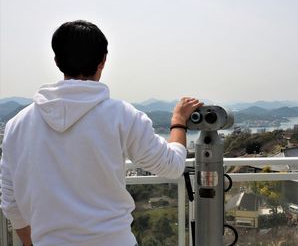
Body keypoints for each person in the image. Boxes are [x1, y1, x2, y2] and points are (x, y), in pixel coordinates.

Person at [0, 20, 203, 246]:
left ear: (57, 61)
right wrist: (178, 121)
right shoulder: (122, 116)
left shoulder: (17, 125)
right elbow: (172, 166)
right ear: (103, 61)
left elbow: (10, 203)